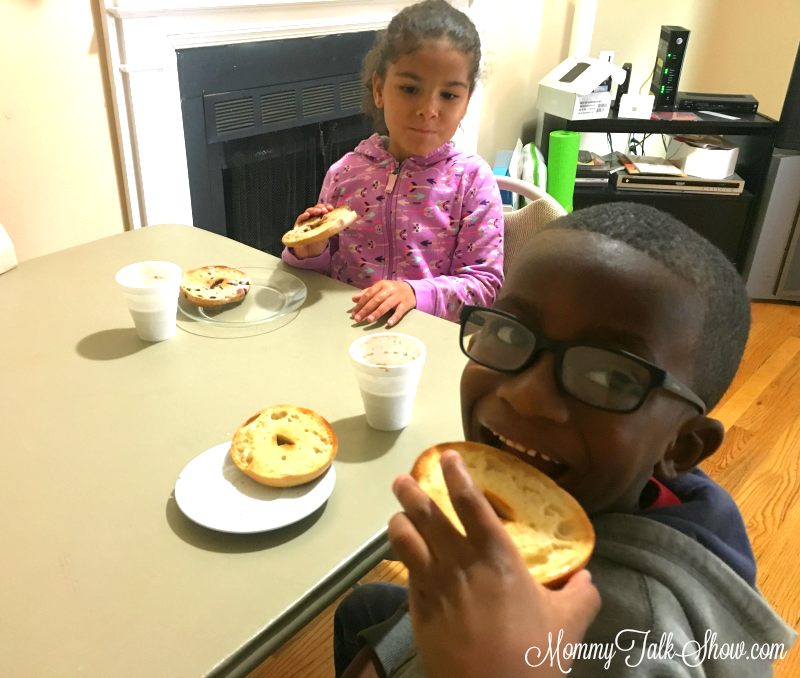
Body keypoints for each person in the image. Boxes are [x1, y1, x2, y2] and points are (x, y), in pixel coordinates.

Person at [333, 203, 798, 677]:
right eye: (509, 332)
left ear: (680, 447)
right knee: (364, 607)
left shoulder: (635, 643)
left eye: (610, 376)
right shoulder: (632, 489)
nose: (527, 397)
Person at [282, 0, 503, 326]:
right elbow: (322, 278)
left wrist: (415, 294)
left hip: (426, 342)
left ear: (467, 102)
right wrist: (309, 250)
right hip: (346, 331)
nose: (428, 109)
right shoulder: (344, 173)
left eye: (449, 95)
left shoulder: (472, 181)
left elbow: (484, 287)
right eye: (411, 88)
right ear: (380, 89)